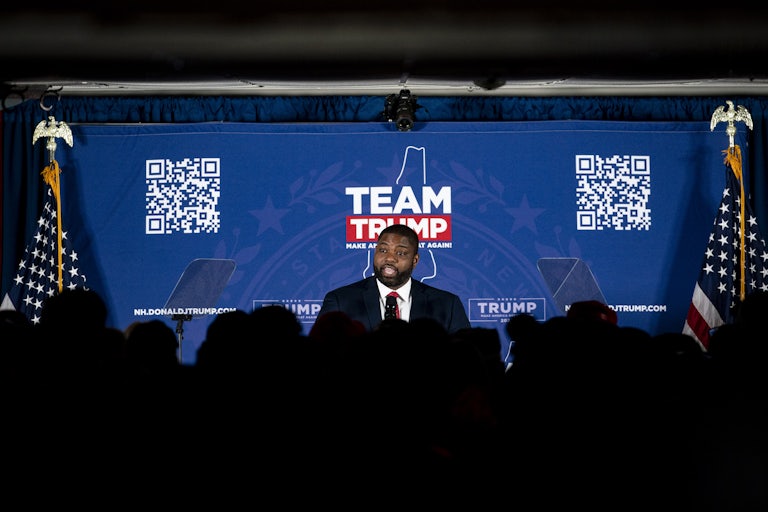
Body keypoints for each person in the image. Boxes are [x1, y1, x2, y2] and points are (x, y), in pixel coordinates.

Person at [316, 224, 471, 334]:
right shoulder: (340, 301)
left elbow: (466, 360)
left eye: (401, 253)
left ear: (415, 260)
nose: (389, 258)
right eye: (383, 250)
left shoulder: (447, 305)